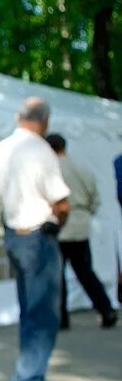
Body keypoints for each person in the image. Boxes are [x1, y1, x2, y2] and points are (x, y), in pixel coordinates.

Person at [0, 97, 71, 381]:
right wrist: (58, 221)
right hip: (38, 235)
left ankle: (29, 373)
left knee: (29, 308)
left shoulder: (1, 149)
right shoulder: (40, 149)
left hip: (13, 236)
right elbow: (61, 201)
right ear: (45, 119)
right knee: (43, 310)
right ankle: (29, 379)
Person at [46, 134, 117, 329]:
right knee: (86, 272)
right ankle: (106, 308)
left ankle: (61, 318)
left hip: (59, 225)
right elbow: (94, 197)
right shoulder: (81, 168)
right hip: (80, 224)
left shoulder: (50, 170)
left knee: (57, 275)